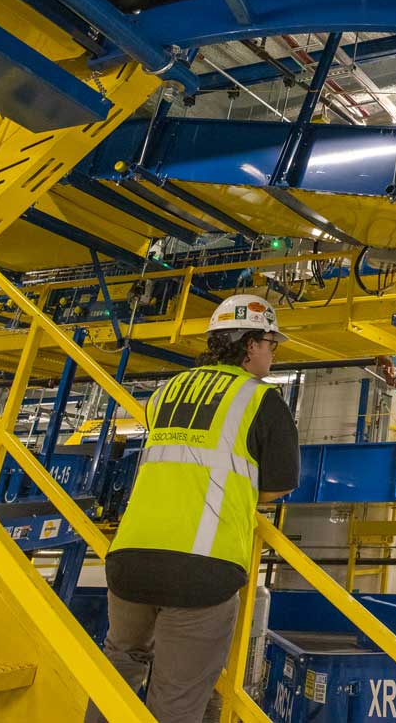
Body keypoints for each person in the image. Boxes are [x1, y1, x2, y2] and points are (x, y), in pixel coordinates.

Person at [87, 294, 300, 723]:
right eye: (271, 345)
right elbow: (279, 485)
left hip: (129, 556)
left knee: (119, 667)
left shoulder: (165, 392)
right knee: (177, 700)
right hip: (202, 567)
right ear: (251, 344)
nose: (272, 356)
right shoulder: (262, 400)